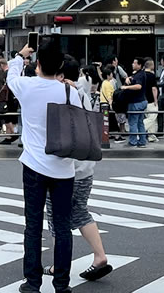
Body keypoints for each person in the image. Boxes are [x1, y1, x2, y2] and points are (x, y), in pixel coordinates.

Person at [7, 37, 81, 293]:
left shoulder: (27, 86)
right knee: (62, 227)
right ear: (61, 64)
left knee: (33, 225)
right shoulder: (70, 91)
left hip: (34, 165)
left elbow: (10, 75)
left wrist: (20, 55)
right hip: (64, 168)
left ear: (38, 63)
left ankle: (32, 282)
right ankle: (62, 283)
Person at [44, 55, 113, 282]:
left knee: (55, 215)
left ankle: (58, 264)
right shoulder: (81, 93)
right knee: (80, 211)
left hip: (65, 168)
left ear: (61, 75)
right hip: (86, 166)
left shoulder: (62, 93)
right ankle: (100, 255)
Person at [120, 57, 149, 148]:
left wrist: (126, 87)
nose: (133, 64)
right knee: (140, 122)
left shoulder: (140, 75)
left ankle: (133, 141)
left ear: (139, 65)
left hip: (136, 102)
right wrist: (128, 78)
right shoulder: (140, 74)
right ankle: (142, 141)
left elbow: (138, 86)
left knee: (133, 122)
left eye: (135, 63)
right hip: (142, 101)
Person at [100, 66, 122, 142]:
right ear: (108, 75)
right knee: (113, 121)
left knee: (107, 121)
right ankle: (116, 136)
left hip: (103, 104)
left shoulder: (104, 83)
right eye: (111, 74)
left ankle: (109, 135)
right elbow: (109, 95)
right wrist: (111, 105)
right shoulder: (108, 84)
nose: (112, 75)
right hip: (107, 105)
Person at [143, 59, 159, 143]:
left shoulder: (141, 74)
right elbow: (154, 88)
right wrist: (155, 100)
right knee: (152, 117)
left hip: (143, 99)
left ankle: (151, 136)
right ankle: (140, 130)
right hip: (151, 100)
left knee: (150, 118)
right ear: (151, 65)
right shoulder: (151, 76)